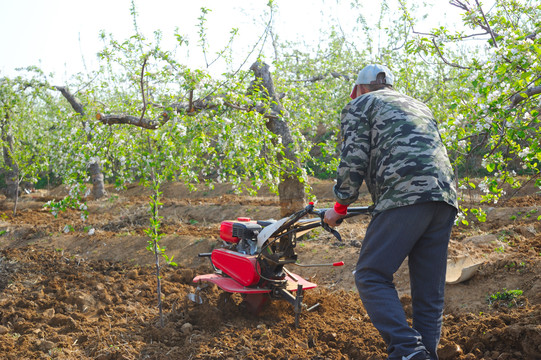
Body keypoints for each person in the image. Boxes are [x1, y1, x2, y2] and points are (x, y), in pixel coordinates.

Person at [324, 64, 458, 360]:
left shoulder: (361, 103)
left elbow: (353, 158)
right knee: (429, 294)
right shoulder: (419, 105)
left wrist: (339, 207)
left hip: (403, 196)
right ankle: (423, 356)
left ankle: (408, 350)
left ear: (358, 89)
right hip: (444, 198)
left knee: (371, 275)